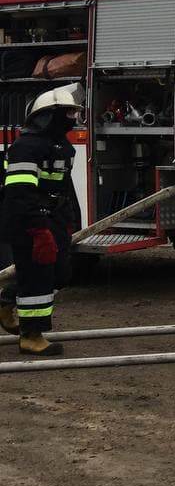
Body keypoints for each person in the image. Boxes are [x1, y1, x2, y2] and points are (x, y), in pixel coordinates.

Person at [0, 84, 84, 356]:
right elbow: (19, 194)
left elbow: (64, 187)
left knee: (61, 273)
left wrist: (67, 220)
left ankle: (7, 299)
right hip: (29, 221)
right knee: (37, 276)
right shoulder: (26, 148)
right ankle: (31, 335)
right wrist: (37, 230)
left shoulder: (61, 147)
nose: (73, 118)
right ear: (48, 116)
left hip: (55, 219)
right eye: (68, 113)